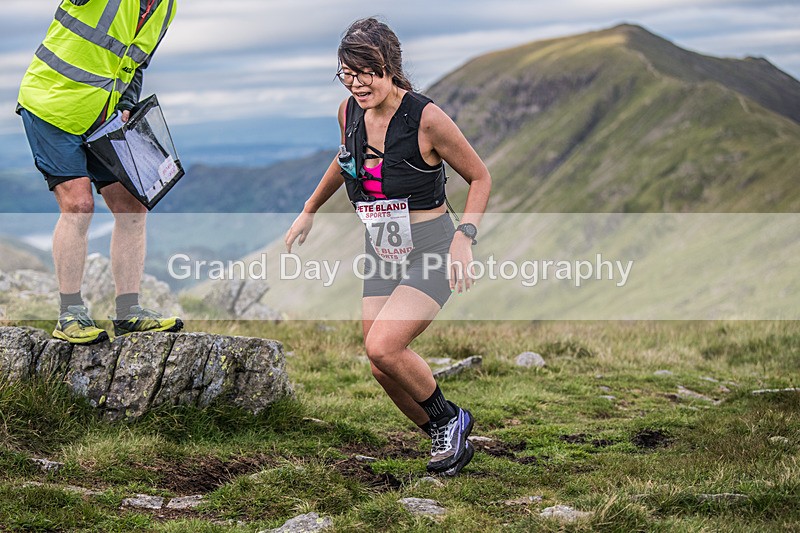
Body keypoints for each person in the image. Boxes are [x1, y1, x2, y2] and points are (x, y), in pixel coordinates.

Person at [285, 17, 492, 476]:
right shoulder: (348, 111)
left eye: (368, 72)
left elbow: (480, 177)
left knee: (384, 346)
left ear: (390, 68)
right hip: (382, 243)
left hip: (432, 245)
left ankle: (450, 420)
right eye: (348, 73)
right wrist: (310, 207)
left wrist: (466, 236)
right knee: (381, 364)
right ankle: (443, 432)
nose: (358, 83)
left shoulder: (427, 118)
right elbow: (345, 162)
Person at [17, 0, 182, 344]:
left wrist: (125, 105)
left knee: (133, 207)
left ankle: (128, 312)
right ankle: (70, 314)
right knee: (78, 205)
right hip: (52, 106)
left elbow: (135, 65)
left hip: (103, 115)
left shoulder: (166, 7)